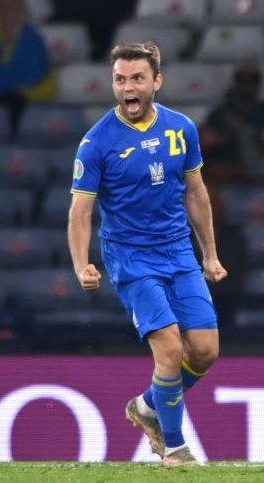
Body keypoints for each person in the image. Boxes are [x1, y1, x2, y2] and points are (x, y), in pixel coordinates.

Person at [67, 42, 227, 467]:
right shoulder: (96, 142)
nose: (127, 88)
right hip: (131, 257)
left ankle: (149, 405)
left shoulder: (181, 128)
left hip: (178, 251)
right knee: (170, 348)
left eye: (137, 78)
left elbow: (196, 193)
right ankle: (173, 448)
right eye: (120, 79)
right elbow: (80, 212)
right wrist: (81, 262)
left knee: (206, 350)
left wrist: (209, 254)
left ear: (157, 81)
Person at [0, 0, 50, 140]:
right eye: (3, 7)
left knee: (16, 100)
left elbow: (31, 74)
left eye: (12, 8)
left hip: (24, 93)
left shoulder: (32, 40)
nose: (7, 12)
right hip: (4, 91)